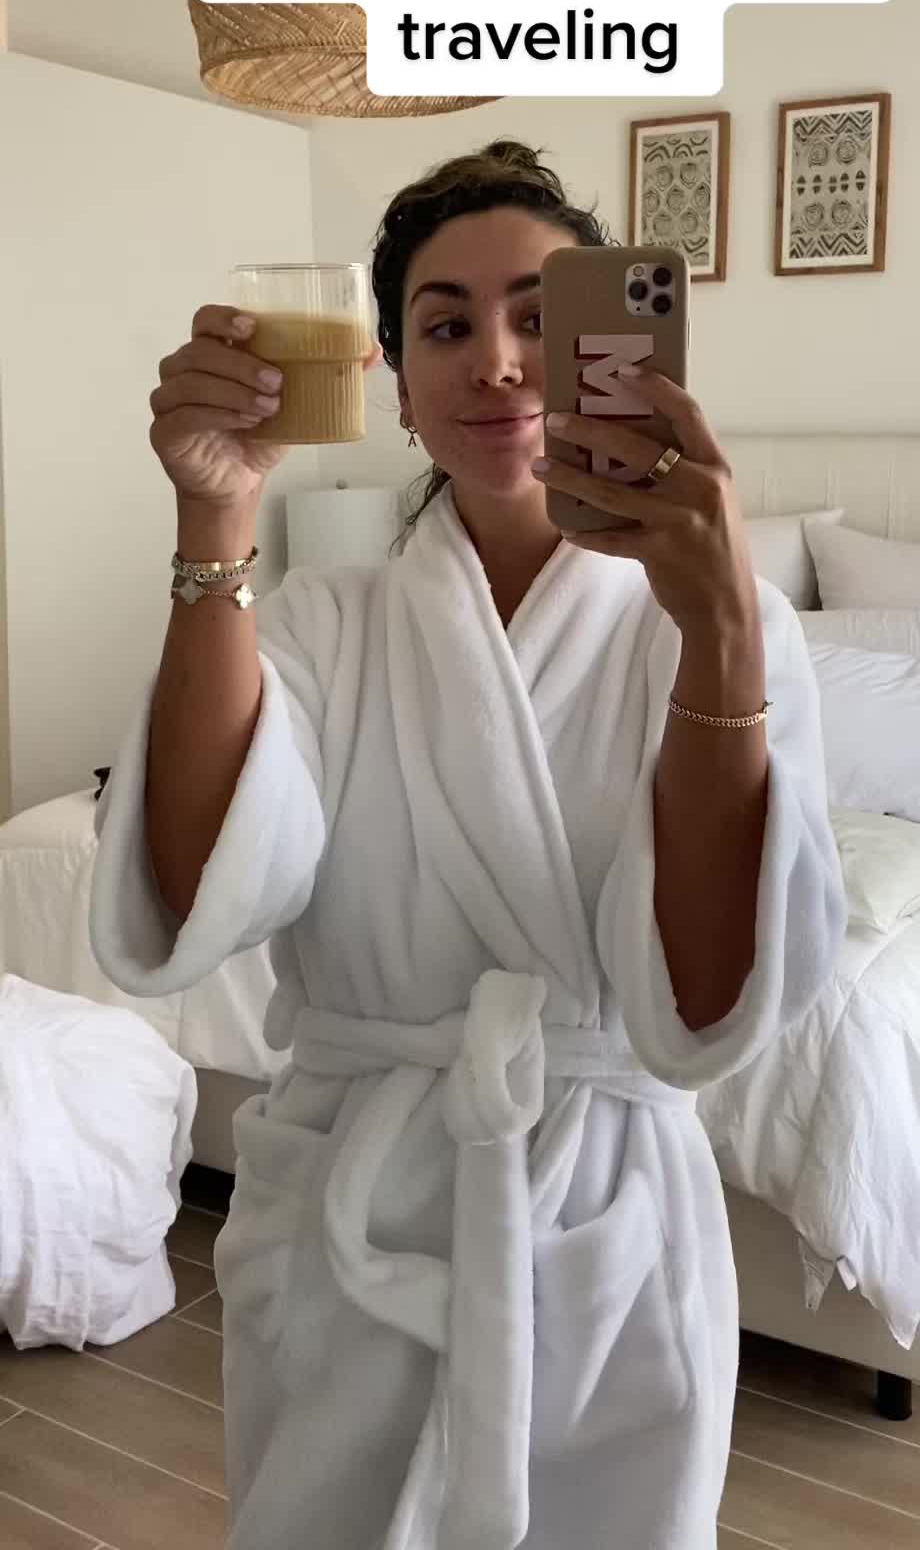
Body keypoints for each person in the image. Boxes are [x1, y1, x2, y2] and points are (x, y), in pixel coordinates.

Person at [90, 139, 845, 1550]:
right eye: (446, 327)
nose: (498, 362)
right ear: (394, 380)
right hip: (351, 1228)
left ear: (614, 349)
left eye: (542, 320)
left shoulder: (722, 626)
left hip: (603, 1232)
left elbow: (700, 1002)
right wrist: (215, 510)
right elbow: (194, 891)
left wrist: (723, 631)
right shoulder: (321, 623)